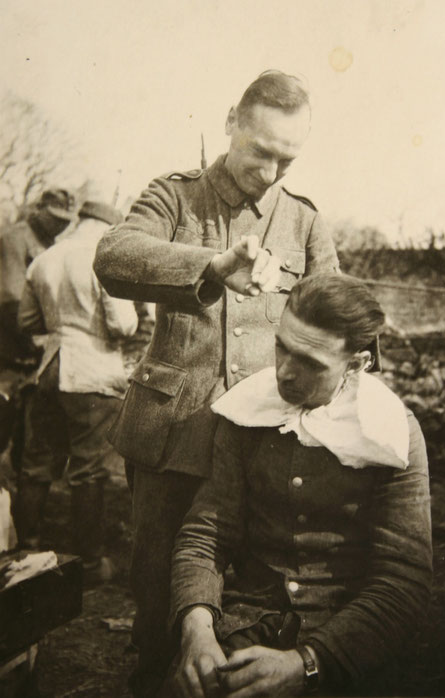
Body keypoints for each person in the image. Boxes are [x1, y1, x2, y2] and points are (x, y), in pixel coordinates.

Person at [93, 70, 339, 691]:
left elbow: (337, 317)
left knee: (250, 607)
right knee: (158, 601)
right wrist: (212, 264)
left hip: (263, 447)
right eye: (261, 152)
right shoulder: (175, 197)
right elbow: (114, 256)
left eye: (289, 158)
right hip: (171, 441)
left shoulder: (306, 223)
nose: (273, 172)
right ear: (231, 121)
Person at [169, 274, 432, 698]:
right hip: (249, 625)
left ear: (357, 363)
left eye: (310, 361)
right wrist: (198, 629)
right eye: (282, 347)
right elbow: (207, 535)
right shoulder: (247, 410)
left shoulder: (391, 433)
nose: (285, 373)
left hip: (347, 640)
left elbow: (402, 581)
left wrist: (308, 663)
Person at [16, 201, 138, 580]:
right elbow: (123, 325)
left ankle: (26, 548)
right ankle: (88, 562)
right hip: (91, 371)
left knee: (36, 464)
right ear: (108, 226)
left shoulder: (45, 258)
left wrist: (58, 328)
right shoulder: (103, 259)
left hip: (50, 367)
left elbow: (26, 321)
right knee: (88, 471)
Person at [0, 188, 76, 464]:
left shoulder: (53, 247)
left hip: (35, 358)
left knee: (30, 445)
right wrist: (37, 343)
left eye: (66, 219)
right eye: (55, 216)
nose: (61, 223)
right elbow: (10, 302)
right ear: (38, 209)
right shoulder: (14, 240)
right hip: (9, 356)